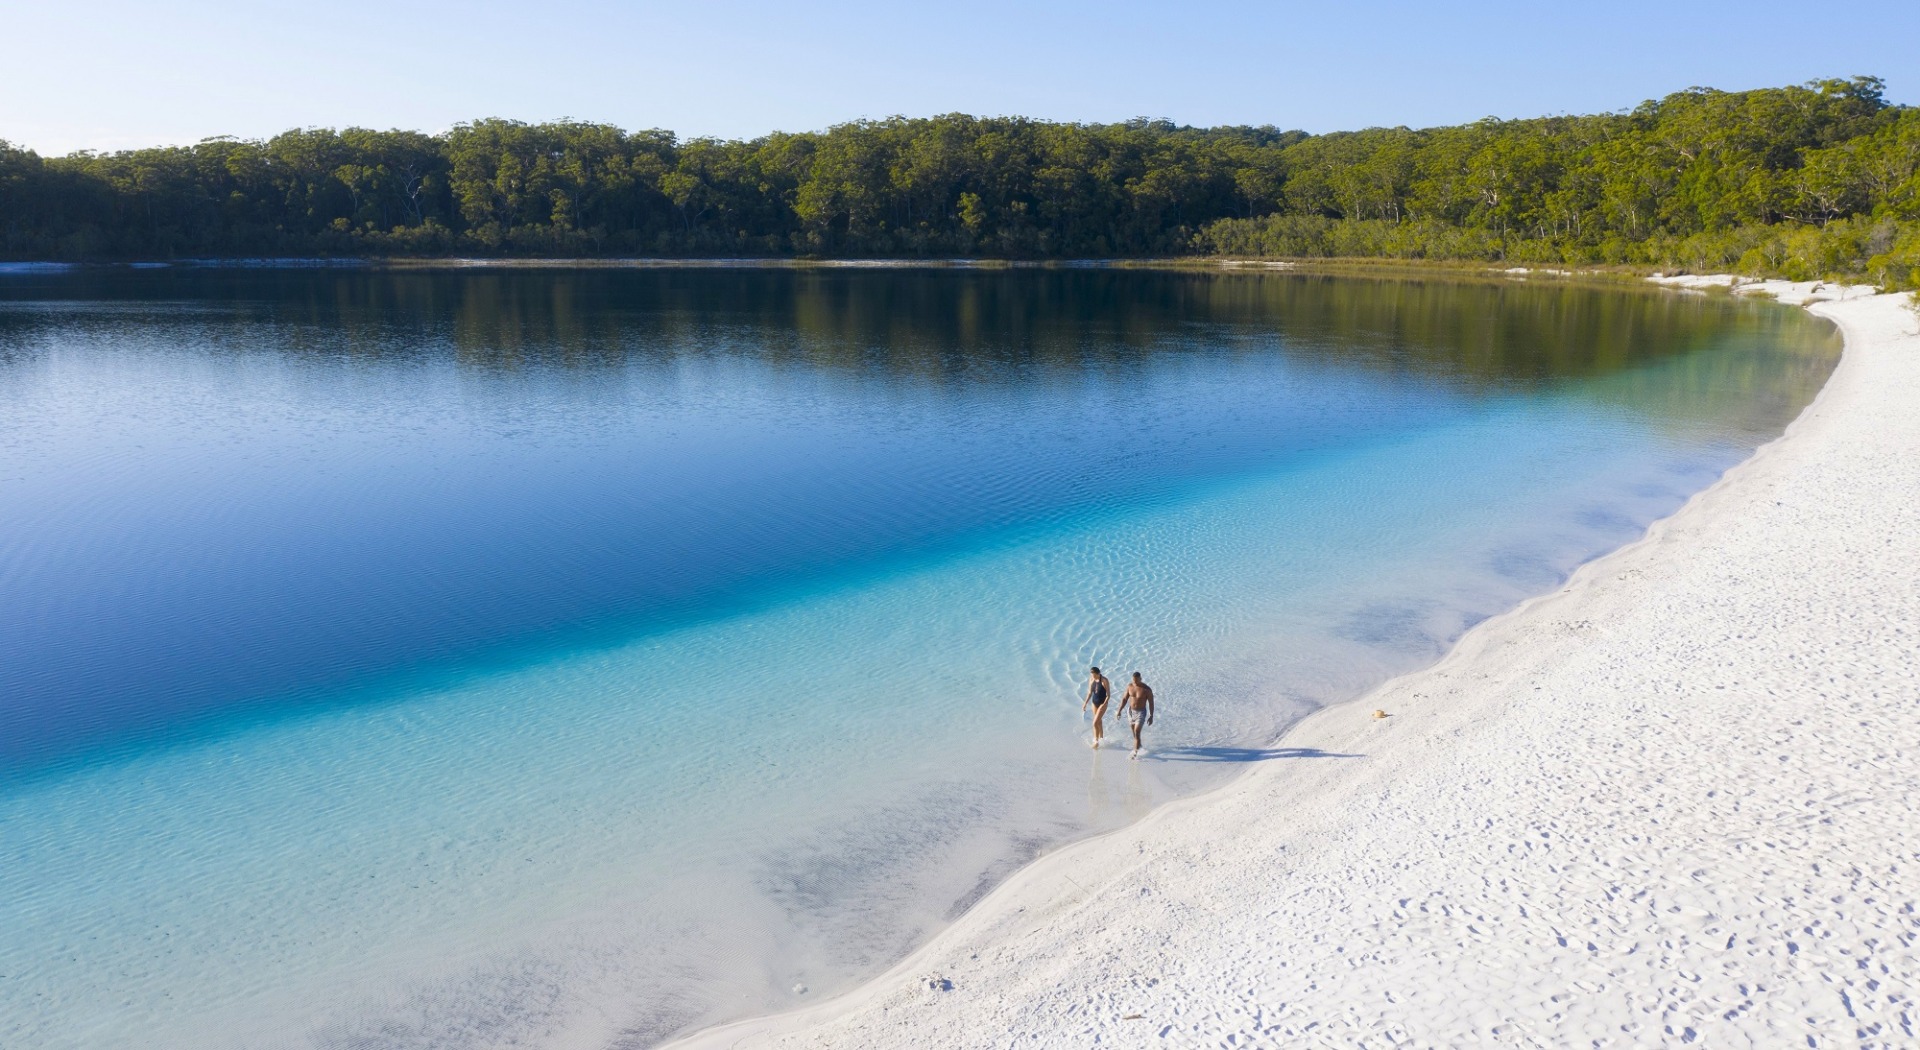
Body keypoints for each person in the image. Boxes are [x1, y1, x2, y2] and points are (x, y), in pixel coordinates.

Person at [1121, 671, 1154, 758]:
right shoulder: (1130, 686)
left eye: (1136, 680)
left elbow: (1151, 703)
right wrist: (1119, 710)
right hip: (1130, 712)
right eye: (1133, 680)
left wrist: (1151, 716)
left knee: (1137, 731)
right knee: (1135, 734)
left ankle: (1135, 753)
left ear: (1140, 679)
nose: (1135, 682)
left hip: (1141, 712)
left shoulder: (1147, 689)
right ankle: (1139, 746)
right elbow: (1124, 699)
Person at [1081, 666, 1112, 749]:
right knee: (1099, 722)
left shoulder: (1104, 680)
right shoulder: (1091, 679)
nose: (1093, 677)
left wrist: (1104, 704)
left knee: (1094, 723)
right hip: (1094, 703)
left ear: (1098, 674)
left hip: (1103, 704)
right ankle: (1102, 739)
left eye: (1094, 675)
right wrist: (1085, 703)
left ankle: (1096, 742)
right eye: (1092, 675)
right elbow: (1090, 693)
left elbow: (1108, 695)